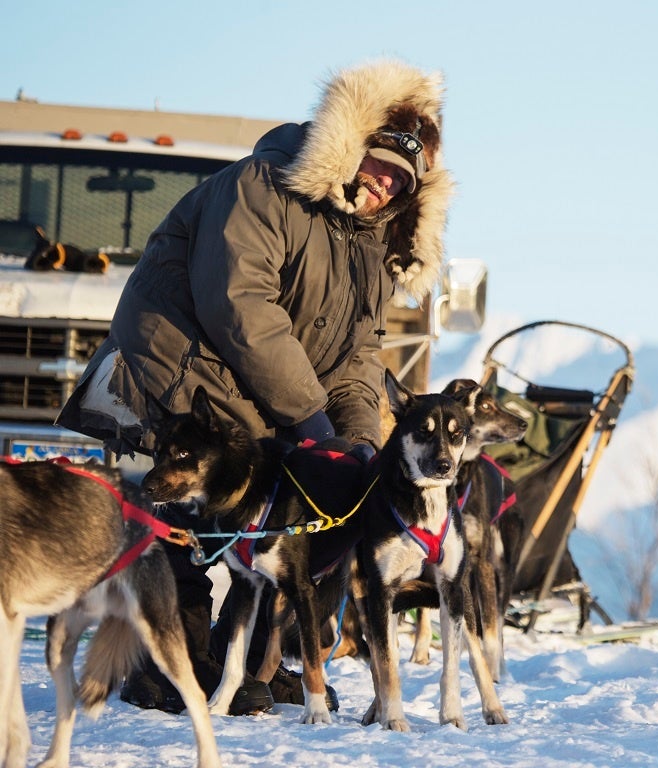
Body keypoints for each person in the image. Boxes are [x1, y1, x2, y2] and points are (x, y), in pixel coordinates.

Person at [56, 58, 454, 714]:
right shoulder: (264, 186)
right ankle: (167, 659)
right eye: (377, 164)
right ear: (351, 147)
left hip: (257, 382)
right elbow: (240, 306)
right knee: (192, 499)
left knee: (305, 505)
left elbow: (357, 353)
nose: (383, 183)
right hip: (182, 356)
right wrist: (311, 423)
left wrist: (355, 449)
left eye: (399, 179)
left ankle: (248, 665)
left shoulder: (370, 243)